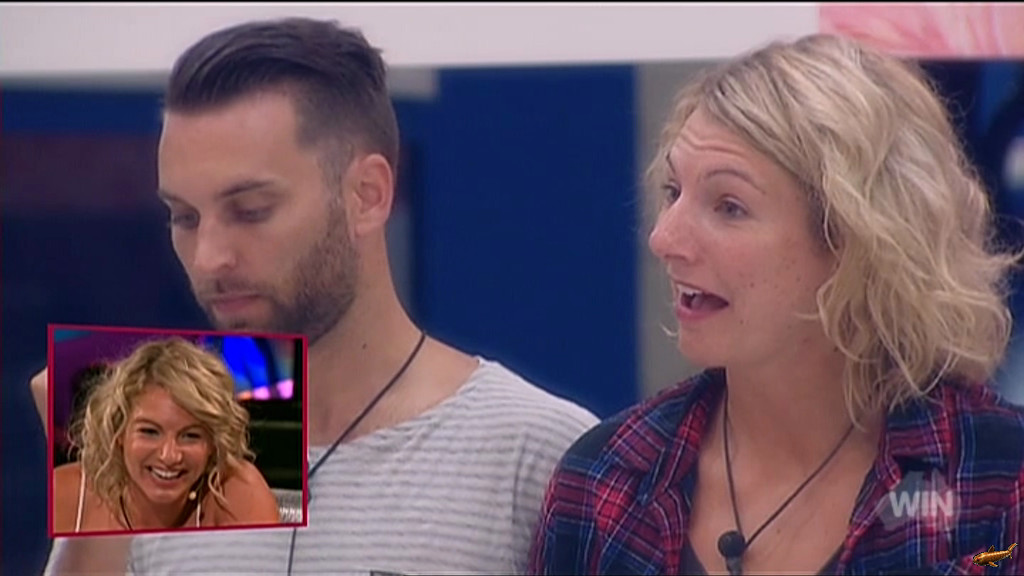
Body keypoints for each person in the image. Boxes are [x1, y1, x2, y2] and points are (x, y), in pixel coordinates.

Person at [32, 16, 598, 576]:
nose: (208, 257)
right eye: (184, 217)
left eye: (250, 211)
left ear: (366, 195)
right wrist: (99, 491)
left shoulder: (534, 452)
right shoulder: (154, 448)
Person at [529, 34, 1024, 575]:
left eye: (729, 206)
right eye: (673, 192)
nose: (664, 238)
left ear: (859, 241)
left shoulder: (998, 485)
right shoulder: (605, 482)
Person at [51, 337, 281, 535]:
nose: (169, 456)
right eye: (149, 432)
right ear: (118, 432)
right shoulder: (63, 495)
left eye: (190, 436)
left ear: (213, 443)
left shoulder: (238, 493)